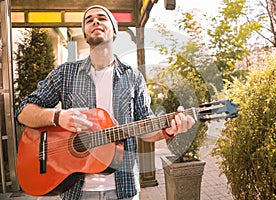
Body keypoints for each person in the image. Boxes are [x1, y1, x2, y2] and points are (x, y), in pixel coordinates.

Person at [16, 5, 195, 200]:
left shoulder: (133, 77)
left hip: (123, 190)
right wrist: (58, 116)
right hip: (76, 191)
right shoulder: (64, 73)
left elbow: (145, 126)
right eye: (89, 20)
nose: (95, 21)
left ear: (115, 29)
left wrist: (167, 130)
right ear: (84, 32)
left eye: (102, 18)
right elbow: (23, 111)